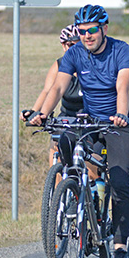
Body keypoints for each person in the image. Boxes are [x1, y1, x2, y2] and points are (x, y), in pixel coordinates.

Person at [30, 4, 129, 258]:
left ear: (104, 29)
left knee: (119, 181)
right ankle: (78, 188)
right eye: (81, 31)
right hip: (89, 121)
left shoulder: (121, 50)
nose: (86, 36)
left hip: (119, 124)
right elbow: (58, 86)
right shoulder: (76, 53)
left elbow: (122, 86)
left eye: (91, 30)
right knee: (64, 140)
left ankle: (120, 246)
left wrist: (122, 114)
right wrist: (42, 114)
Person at [22, 24, 83, 168]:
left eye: (78, 44)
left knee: (90, 169)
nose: (74, 48)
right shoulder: (60, 64)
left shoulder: (91, 63)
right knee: (56, 149)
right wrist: (35, 112)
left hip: (89, 116)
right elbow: (48, 91)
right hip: (68, 115)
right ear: (63, 45)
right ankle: (56, 188)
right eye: (70, 44)